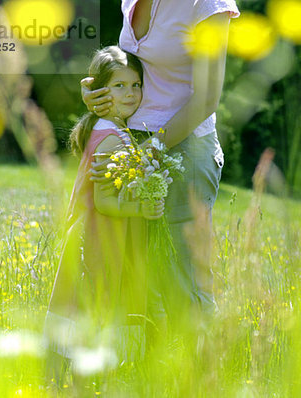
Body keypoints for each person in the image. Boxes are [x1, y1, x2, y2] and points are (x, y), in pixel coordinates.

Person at [83, 0, 240, 317]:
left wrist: (146, 153)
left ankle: (200, 364)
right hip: (131, 141)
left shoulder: (208, 5)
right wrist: (93, 90)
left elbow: (207, 97)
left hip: (183, 150)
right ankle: (147, 365)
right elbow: (132, 65)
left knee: (185, 283)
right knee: (139, 277)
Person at [44, 46, 164, 382]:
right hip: (102, 236)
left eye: (136, 85)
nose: (130, 93)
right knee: (97, 305)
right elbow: (106, 203)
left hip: (92, 233)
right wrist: (143, 207)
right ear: (99, 90)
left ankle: (71, 379)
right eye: (119, 86)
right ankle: (88, 380)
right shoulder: (112, 139)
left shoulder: (104, 127)